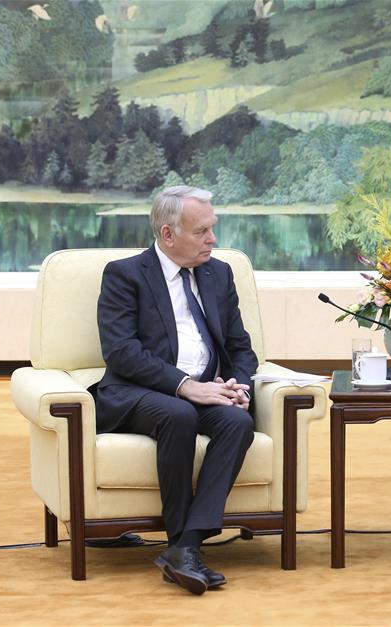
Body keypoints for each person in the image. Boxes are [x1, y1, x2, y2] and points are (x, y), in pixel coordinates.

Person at [95, 186, 258, 595]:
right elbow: (121, 352)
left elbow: (240, 346)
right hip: (138, 392)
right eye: (202, 231)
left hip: (206, 389)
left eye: (212, 229)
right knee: (178, 412)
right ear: (168, 234)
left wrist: (240, 387)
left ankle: (186, 545)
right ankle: (181, 548)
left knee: (237, 422)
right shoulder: (125, 274)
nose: (212, 240)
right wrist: (187, 387)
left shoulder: (218, 274)